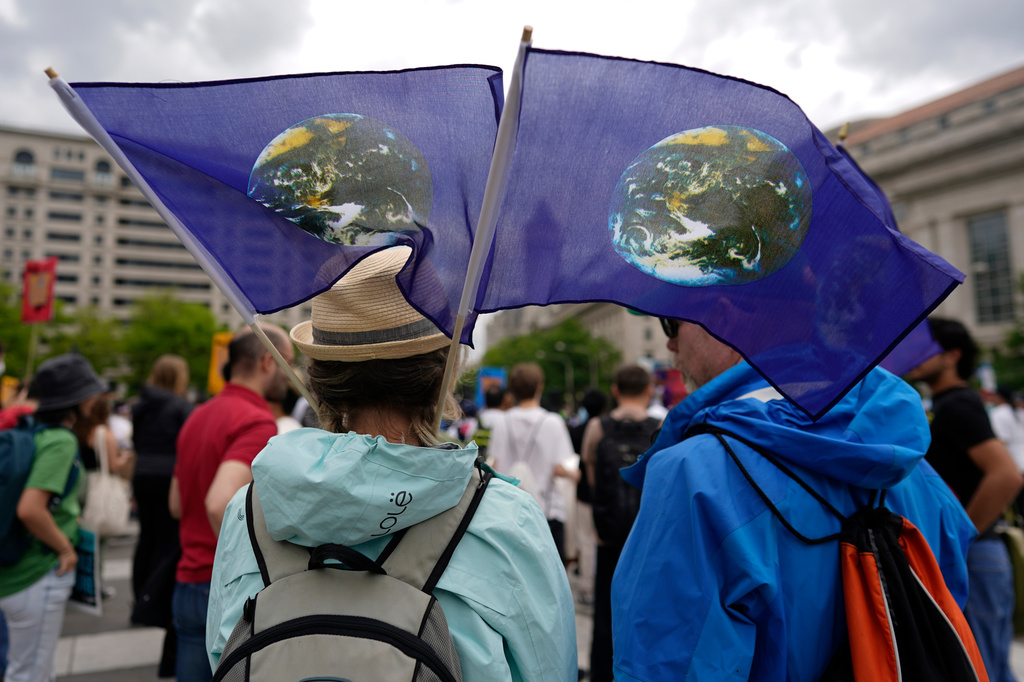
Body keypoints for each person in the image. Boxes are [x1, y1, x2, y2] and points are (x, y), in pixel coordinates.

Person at [206, 247, 577, 680]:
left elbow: (222, 656)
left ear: (319, 378)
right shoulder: (505, 521)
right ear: (446, 371)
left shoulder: (249, 513)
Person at [611, 319, 977, 681]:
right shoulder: (917, 468)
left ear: (724, 317)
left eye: (672, 325)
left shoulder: (692, 474)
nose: (670, 345)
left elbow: (664, 665)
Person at [169, 323, 293, 682]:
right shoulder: (256, 421)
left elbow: (176, 504)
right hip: (219, 588)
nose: (290, 375)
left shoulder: (197, 415)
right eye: (288, 363)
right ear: (268, 362)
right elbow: (218, 502)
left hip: (186, 582)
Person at [906, 317, 1024, 682]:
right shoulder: (949, 404)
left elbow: (1006, 475)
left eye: (926, 347)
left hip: (975, 555)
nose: (914, 354)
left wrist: (959, 535)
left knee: (979, 668)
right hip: (979, 555)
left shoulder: (956, 406)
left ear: (953, 355)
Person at [0, 353, 107, 682]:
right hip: (37, 571)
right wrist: (64, 549)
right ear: (75, 399)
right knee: (32, 673)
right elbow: (31, 509)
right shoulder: (60, 440)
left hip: (14, 569)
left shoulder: (31, 430)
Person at [581, 365, 660, 682]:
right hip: (647, 537)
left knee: (606, 612)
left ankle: (603, 674)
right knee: (647, 612)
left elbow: (591, 480)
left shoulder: (598, 427)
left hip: (608, 536)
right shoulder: (661, 425)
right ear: (649, 389)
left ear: (615, 390)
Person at [131, 354, 194, 677]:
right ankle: (156, 596)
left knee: (146, 537)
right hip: (168, 476)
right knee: (169, 542)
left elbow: (135, 441)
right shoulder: (180, 407)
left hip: (142, 475)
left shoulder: (140, 405)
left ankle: (140, 593)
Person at [489, 363, 577, 562]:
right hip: (547, 511)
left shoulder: (502, 421)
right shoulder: (553, 421)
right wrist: (577, 475)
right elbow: (560, 469)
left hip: (510, 512)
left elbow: (494, 464)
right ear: (539, 387)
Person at [988, 385, 1024, 473]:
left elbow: (1001, 441)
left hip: (1015, 465)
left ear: (998, 396)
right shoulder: (1019, 411)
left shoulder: (997, 413)